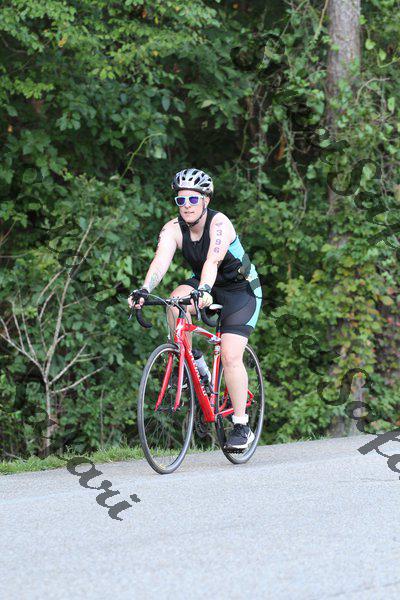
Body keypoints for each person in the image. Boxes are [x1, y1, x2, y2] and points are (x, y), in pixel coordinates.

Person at [128, 168, 262, 450]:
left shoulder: (219, 224)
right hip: (205, 284)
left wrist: (204, 290)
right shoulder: (173, 229)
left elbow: (212, 262)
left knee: (230, 355)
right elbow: (160, 262)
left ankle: (241, 425)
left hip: (240, 289)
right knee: (174, 302)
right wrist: (144, 290)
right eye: (181, 200)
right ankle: (193, 363)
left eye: (192, 199)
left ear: (205, 200)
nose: (186, 206)